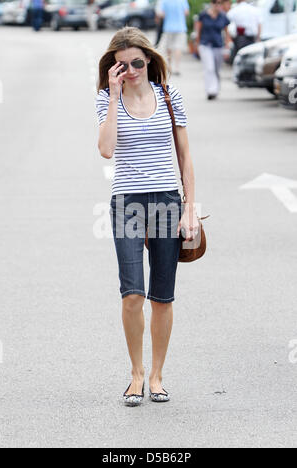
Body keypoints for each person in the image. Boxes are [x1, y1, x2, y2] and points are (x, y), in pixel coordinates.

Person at [96, 27, 200, 406]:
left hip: (167, 202)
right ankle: (136, 373)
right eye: (121, 65)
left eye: (137, 62)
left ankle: (157, 375)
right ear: (113, 67)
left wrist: (190, 207)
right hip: (127, 203)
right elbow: (107, 150)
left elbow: (185, 156)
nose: (131, 70)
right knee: (132, 294)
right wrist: (112, 95)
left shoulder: (170, 96)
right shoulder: (107, 98)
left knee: (162, 297)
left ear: (149, 60)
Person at [196, 0, 232, 100]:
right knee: (209, 68)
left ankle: (216, 89)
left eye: (220, 3)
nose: (217, 5)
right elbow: (198, 30)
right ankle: (210, 90)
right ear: (212, 3)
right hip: (205, 44)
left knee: (216, 69)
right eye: (215, 2)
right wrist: (197, 44)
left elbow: (227, 33)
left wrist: (227, 47)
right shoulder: (203, 15)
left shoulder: (223, 16)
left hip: (218, 45)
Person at [157, 0, 190, 76]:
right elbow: (186, 12)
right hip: (180, 27)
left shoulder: (165, 1)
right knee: (178, 48)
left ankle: (169, 65)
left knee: (169, 48)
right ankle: (177, 67)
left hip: (168, 27)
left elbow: (161, 14)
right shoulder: (182, 1)